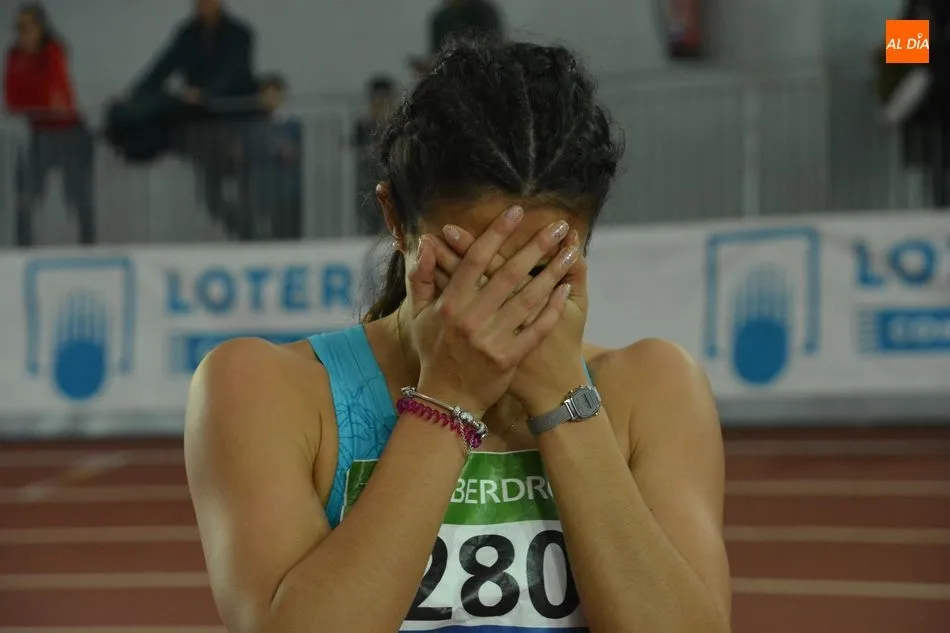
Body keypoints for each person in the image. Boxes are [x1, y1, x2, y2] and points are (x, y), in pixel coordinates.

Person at [185, 38, 731, 633]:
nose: (498, 307)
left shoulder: (653, 389)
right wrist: (448, 400)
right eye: (470, 268)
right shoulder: (265, 389)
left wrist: (563, 399)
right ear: (396, 220)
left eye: (537, 270)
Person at [3, 2, 94, 246]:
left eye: (28, 27)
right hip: (38, 133)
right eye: (19, 27)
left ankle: (89, 248)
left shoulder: (53, 50)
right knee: (26, 195)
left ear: (41, 28)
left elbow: (54, 95)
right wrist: (32, 104)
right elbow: (12, 99)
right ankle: (22, 250)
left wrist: (34, 103)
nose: (23, 33)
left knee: (79, 197)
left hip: (69, 132)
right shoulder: (14, 56)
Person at [409, 0, 503, 77]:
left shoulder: (485, 12)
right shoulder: (440, 18)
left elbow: (494, 51)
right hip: (450, 78)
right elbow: (436, 54)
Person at [354, 75, 396, 235]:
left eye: (385, 100)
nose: (381, 105)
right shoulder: (363, 126)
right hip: (368, 181)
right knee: (369, 218)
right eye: (377, 100)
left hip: (390, 180)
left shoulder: (396, 124)